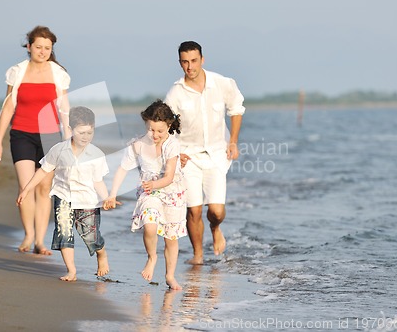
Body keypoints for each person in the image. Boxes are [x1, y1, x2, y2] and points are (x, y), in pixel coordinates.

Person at [0, 26, 71, 255]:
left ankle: (40, 241)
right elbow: (8, 107)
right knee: (26, 185)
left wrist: (68, 140)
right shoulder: (17, 72)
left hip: (50, 136)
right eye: (39, 47)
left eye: (47, 48)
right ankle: (28, 234)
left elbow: (64, 109)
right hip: (21, 133)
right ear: (29, 47)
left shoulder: (58, 73)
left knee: (45, 188)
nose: (43, 51)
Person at [165, 41, 245, 265]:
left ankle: (216, 227)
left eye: (193, 61)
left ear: (202, 59)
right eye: (184, 62)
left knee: (216, 211)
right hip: (187, 156)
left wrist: (233, 142)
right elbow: (166, 125)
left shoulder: (222, 83)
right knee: (193, 211)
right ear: (179, 63)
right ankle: (198, 255)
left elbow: (236, 109)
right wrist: (174, 152)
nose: (189, 67)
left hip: (217, 155)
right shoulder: (175, 92)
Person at [17, 106, 110, 281]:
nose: (85, 137)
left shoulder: (96, 154)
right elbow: (43, 171)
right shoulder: (58, 150)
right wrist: (27, 188)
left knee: (90, 235)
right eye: (81, 132)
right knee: (64, 231)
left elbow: (98, 181)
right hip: (64, 196)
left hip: (87, 200)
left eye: (89, 133)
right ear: (70, 130)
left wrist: (107, 198)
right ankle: (71, 270)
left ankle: (101, 254)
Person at [106, 100, 187, 290]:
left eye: (160, 130)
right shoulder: (137, 145)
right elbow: (122, 169)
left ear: (169, 126)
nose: (155, 135)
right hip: (149, 193)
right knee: (150, 226)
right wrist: (112, 194)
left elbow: (168, 177)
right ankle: (152, 257)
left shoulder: (172, 145)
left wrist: (155, 184)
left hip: (172, 193)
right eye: (151, 130)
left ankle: (169, 275)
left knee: (171, 237)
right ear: (146, 124)